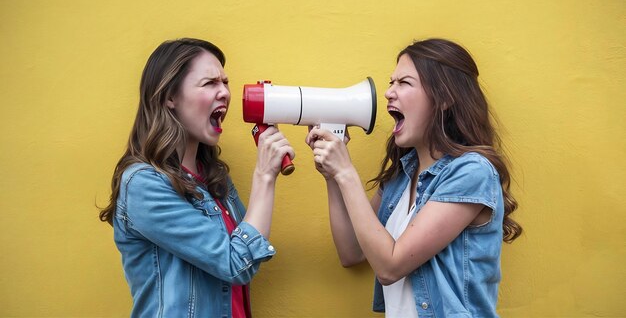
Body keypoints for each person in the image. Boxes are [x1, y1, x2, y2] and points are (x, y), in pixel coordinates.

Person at [306, 38, 522, 317]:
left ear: (445, 98)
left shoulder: (471, 172)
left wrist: (346, 172)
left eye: (404, 83)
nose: (387, 93)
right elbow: (351, 252)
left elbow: (389, 267)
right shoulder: (401, 176)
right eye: (391, 82)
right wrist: (332, 176)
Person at [99, 38, 294, 318]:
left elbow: (242, 257)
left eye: (225, 82)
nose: (225, 92)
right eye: (210, 83)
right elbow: (237, 262)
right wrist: (264, 176)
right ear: (170, 97)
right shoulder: (143, 184)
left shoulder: (215, 179)